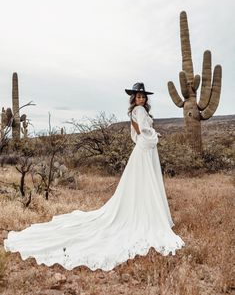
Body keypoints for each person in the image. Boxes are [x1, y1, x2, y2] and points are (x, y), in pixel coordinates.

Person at [3, 82, 185, 271]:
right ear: (134, 98)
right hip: (145, 148)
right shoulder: (138, 111)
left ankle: (146, 210)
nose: (141, 99)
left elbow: (139, 133)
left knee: (141, 182)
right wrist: (153, 136)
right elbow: (140, 132)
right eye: (138, 96)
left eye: (143, 96)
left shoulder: (138, 111)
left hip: (144, 148)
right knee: (144, 180)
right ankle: (147, 214)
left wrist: (151, 136)